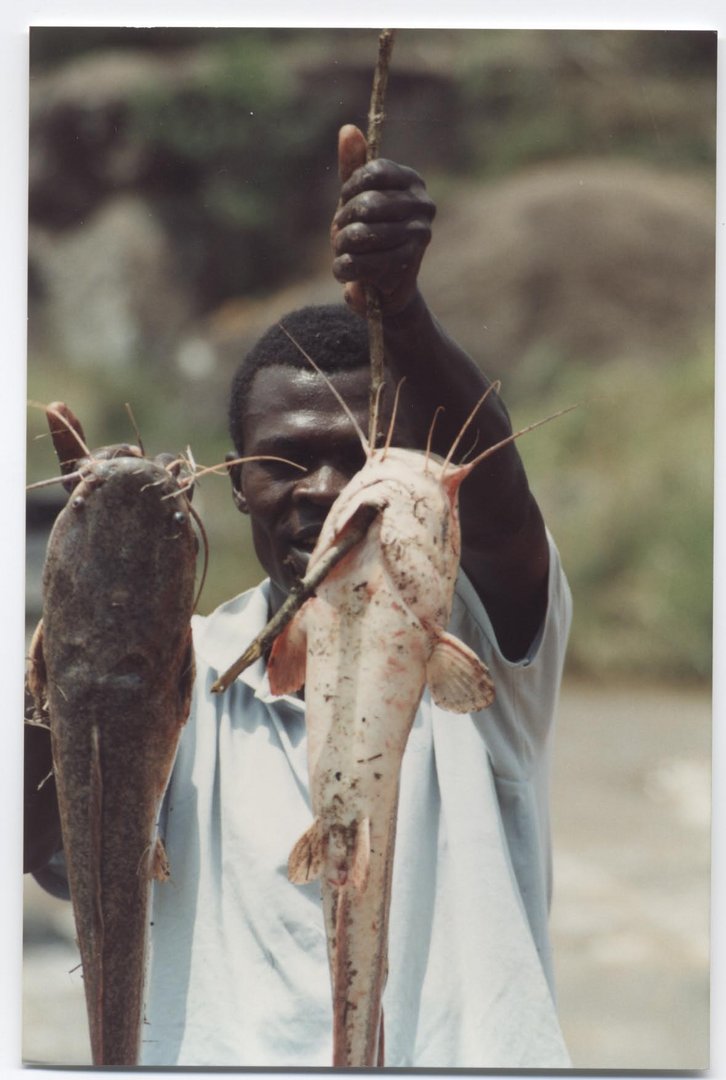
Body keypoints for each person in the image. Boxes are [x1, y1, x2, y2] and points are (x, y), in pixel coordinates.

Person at [24, 124, 572, 1067]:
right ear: (236, 486)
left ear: (413, 461)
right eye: (284, 459)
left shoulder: (467, 636)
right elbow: (55, 853)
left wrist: (401, 316)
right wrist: (75, 623)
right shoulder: (168, 669)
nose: (322, 488)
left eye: (356, 455)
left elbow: (500, 507)